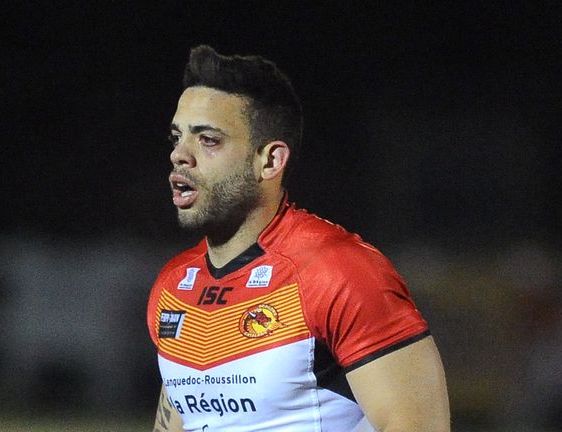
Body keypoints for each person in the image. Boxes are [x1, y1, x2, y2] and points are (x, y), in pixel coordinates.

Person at [147, 45, 450, 432]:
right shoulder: (173, 287)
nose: (180, 155)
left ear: (270, 161)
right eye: (177, 137)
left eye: (208, 140)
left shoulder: (338, 270)